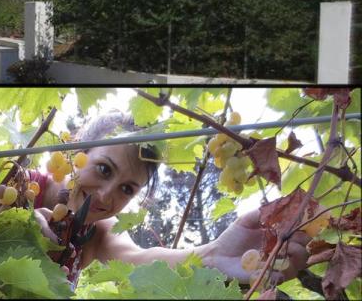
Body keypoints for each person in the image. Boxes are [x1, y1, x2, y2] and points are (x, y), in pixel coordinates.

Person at [27, 112, 310, 287]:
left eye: (127, 189)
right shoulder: (16, 184)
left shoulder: (97, 233)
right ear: (77, 152)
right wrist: (2, 222)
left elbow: (140, 258)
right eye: (103, 169)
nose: (104, 194)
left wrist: (214, 255)